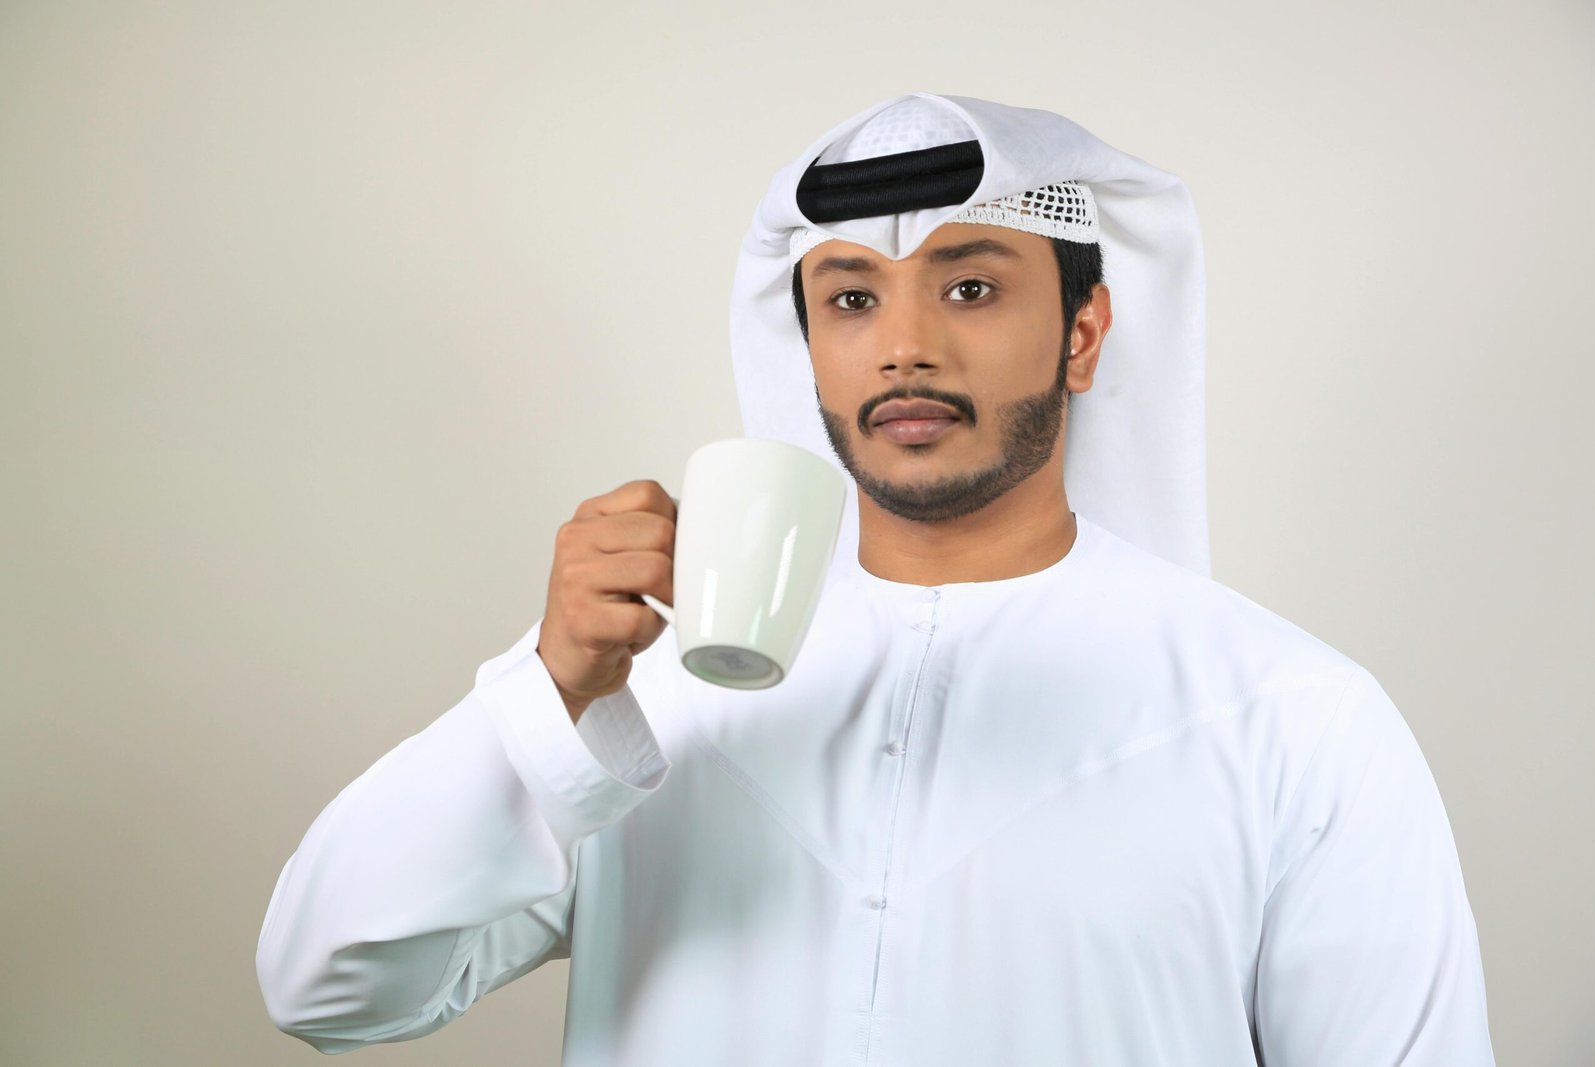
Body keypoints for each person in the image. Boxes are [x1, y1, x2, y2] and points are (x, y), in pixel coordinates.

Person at [256, 93, 1495, 1064]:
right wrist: (548, 688)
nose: (903, 344)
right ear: (808, 349)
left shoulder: (1288, 715)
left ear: (1082, 332)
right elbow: (329, 988)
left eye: (969, 285)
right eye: (851, 297)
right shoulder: (652, 701)